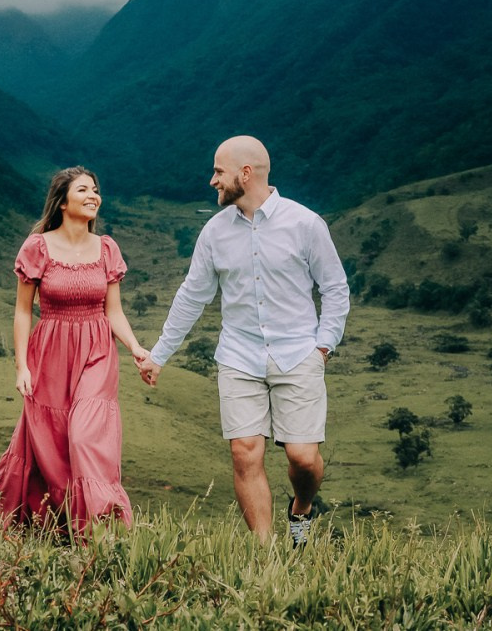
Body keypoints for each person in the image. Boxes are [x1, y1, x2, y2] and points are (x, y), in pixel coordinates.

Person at [138, 136, 350, 545]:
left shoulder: (305, 223)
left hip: (298, 353)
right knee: (245, 453)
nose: (212, 180)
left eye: (219, 171)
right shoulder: (214, 233)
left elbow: (335, 288)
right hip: (239, 356)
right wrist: (159, 355)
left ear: (245, 173)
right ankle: (266, 554)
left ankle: (301, 510)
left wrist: (323, 346)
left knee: (303, 460)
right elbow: (192, 296)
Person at [0, 166, 147, 533]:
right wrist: (21, 366)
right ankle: (55, 523)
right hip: (50, 351)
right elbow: (23, 311)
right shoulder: (38, 246)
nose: (93, 196)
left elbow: (113, 311)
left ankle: (100, 527)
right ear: (63, 201)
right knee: (52, 442)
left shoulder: (106, 248)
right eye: (83, 189)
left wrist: (134, 347)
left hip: (97, 350)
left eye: (96, 190)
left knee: (86, 435)